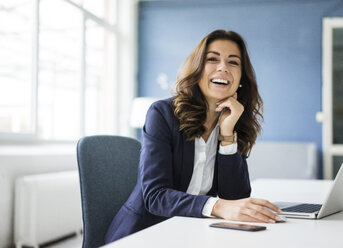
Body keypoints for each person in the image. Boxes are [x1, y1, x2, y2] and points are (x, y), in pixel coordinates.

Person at [104, 29, 282, 244]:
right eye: (212, 59)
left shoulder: (234, 121)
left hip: (191, 233)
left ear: (241, 78)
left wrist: (227, 135)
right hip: (144, 234)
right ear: (197, 69)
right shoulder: (163, 114)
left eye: (233, 62)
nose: (223, 67)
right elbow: (155, 196)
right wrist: (217, 206)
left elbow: (235, 199)